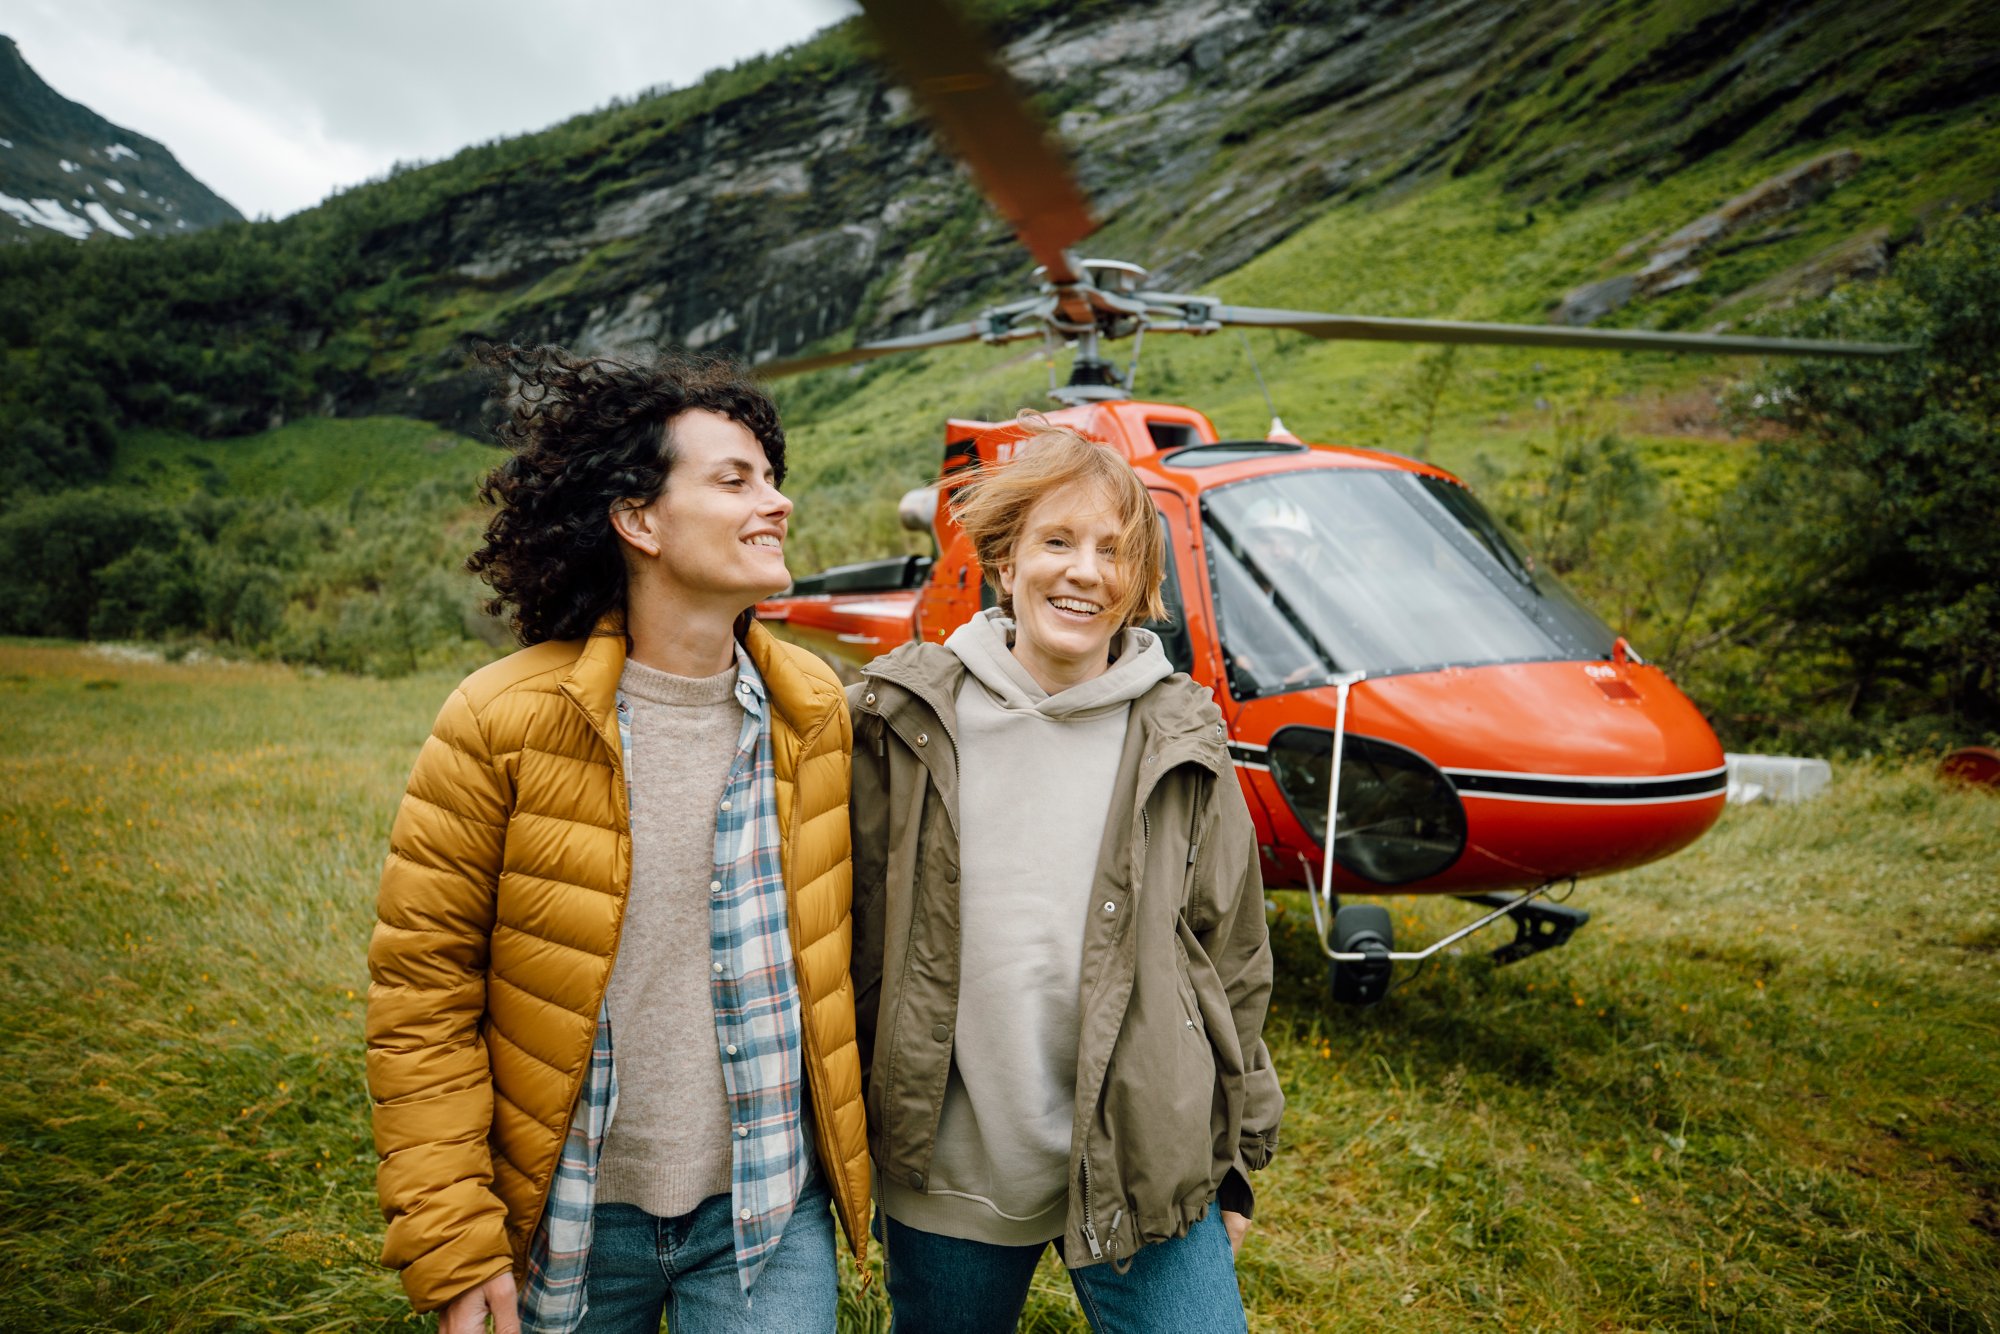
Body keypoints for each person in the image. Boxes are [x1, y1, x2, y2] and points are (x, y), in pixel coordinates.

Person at [365, 343, 869, 1334]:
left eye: (772, 478)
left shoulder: (812, 706)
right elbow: (422, 995)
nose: (776, 502)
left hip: (765, 1202)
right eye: (734, 479)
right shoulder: (499, 716)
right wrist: (451, 1230)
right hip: (570, 1211)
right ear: (638, 520)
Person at [848, 422, 1283, 1333]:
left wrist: (1238, 1153)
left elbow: (1233, 956)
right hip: (951, 1172)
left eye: (1114, 552)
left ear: (1139, 585)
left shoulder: (1184, 741)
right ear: (1005, 562)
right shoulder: (900, 721)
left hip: (1145, 1157)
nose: (1085, 571)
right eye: (1057, 541)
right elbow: (838, 928)